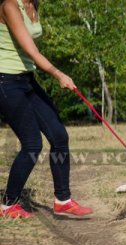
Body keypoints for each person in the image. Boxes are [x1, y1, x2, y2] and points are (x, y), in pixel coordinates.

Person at [0, 0, 93, 218]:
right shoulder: (9, 6)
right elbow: (31, 50)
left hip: (27, 80)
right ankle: (8, 204)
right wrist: (58, 74)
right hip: (6, 82)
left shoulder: (34, 5)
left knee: (59, 136)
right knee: (32, 144)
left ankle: (63, 200)